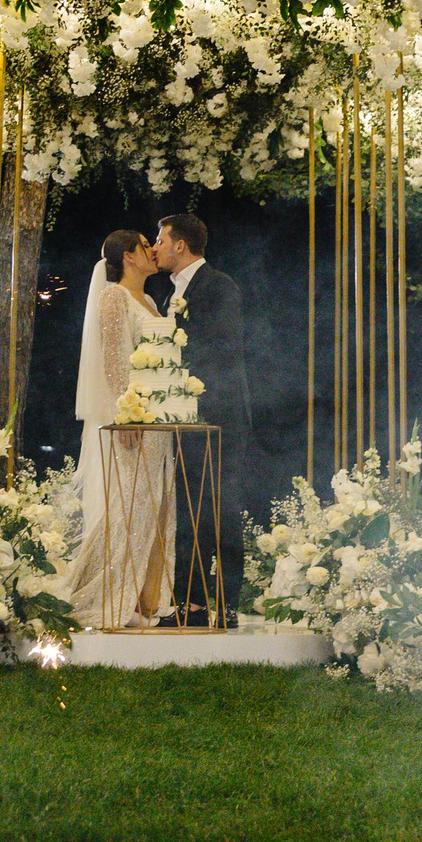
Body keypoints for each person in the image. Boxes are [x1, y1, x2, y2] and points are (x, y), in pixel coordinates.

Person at [60, 229, 175, 628]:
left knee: (153, 507)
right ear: (128, 255)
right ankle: (105, 596)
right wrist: (126, 416)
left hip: (158, 424)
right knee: (127, 506)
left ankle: (143, 598)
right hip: (132, 422)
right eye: (146, 245)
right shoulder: (115, 297)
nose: (153, 251)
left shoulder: (149, 300)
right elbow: (114, 362)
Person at [148, 213, 256, 625]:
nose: (154, 248)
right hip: (186, 420)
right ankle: (190, 604)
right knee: (188, 510)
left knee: (223, 510)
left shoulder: (219, 286)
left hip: (221, 417)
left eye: (160, 240)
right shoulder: (169, 295)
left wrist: (175, 366)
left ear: (181, 245)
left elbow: (223, 352)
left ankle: (226, 603)